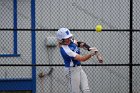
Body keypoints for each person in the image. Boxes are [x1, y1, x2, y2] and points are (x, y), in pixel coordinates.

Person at [56, 28, 103, 93]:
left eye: (69, 37)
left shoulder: (70, 40)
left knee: (86, 90)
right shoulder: (65, 50)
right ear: (61, 40)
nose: (69, 39)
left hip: (79, 68)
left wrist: (89, 48)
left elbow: (80, 43)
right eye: (66, 38)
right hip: (71, 71)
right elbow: (82, 59)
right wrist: (91, 54)